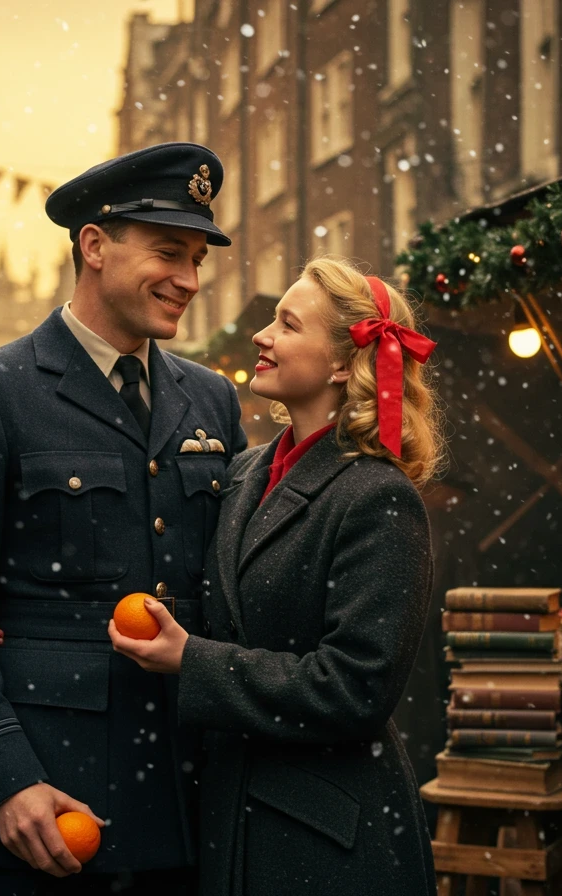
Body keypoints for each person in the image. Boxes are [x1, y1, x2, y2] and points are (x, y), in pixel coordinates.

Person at [0, 142, 247, 895]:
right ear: (94, 245)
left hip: (191, 804)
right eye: (167, 252)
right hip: (49, 803)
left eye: (197, 260)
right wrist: (5, 777)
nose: (188, 281)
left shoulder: (211, 399)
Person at [109, 256, 444, 895]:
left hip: (325, 839)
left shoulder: (376, 496)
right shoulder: (246, 472)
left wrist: (194, 662)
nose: (263, 336)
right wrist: (32, 614)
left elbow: (355, 691)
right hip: (232, 815)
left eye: (287, 325)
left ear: (344, 364)